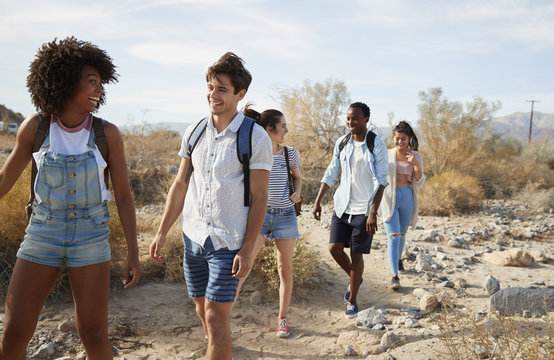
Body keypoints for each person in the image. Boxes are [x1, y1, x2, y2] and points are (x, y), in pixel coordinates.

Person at [0, 37, 143, 360]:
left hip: (91, 238)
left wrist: (133, 253)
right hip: (42, 234)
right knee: (13, 334)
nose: (100, 90)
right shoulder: (35, 128)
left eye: (101, 83)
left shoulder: (108, 135)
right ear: (65, 80)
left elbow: (123, 196)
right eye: (92, 82)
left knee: (93, 335)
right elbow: (3, 182)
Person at [149, 53, 272, 360]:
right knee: (202, 308)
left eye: (221, 89)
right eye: (210, 86)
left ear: (240, 94)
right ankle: (220, 346)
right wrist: (162, 231)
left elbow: (260, 197)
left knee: (217, 316)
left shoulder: (254, 137)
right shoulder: (194, 131)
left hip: (228, 241)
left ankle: (219, 346)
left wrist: (246, 249)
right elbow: (180, 184)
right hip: (193, 236)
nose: (212, 95)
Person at [312, 102, 388, 319]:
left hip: (364, 210)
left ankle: (352, 301)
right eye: (347, 118)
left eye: (355, 118)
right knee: (334, 248)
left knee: (356, 257)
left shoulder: (376, 145)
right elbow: (332, 172)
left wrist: (373, 212)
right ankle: (357, 278)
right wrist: (318, 200)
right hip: (342, 205)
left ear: (366, 119)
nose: (350, 122)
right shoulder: (342, 142)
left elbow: (382, 181)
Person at [236, 105, 302, 338]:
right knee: (245, 263)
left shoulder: (289, 153)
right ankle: (223, 315)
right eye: (282, 126)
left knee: (285, 268)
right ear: (269, 129)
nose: (286, 130)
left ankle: (282, 319)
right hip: (259, 216)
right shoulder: (255, 151)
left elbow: (297, 178)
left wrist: (297, 193)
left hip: (285, 217)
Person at [378, 121, 425, 289]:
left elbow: (419, 182)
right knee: (393, 236)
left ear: (409, 139)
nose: (400, 142)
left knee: (402, 233)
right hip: (388, 197)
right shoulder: (387, 154)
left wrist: (416, 165)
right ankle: (394, 276)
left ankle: (398, 259)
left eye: (403, 139)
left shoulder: (416, 156)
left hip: (407, 196)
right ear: (393, 138)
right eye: (397, 139)